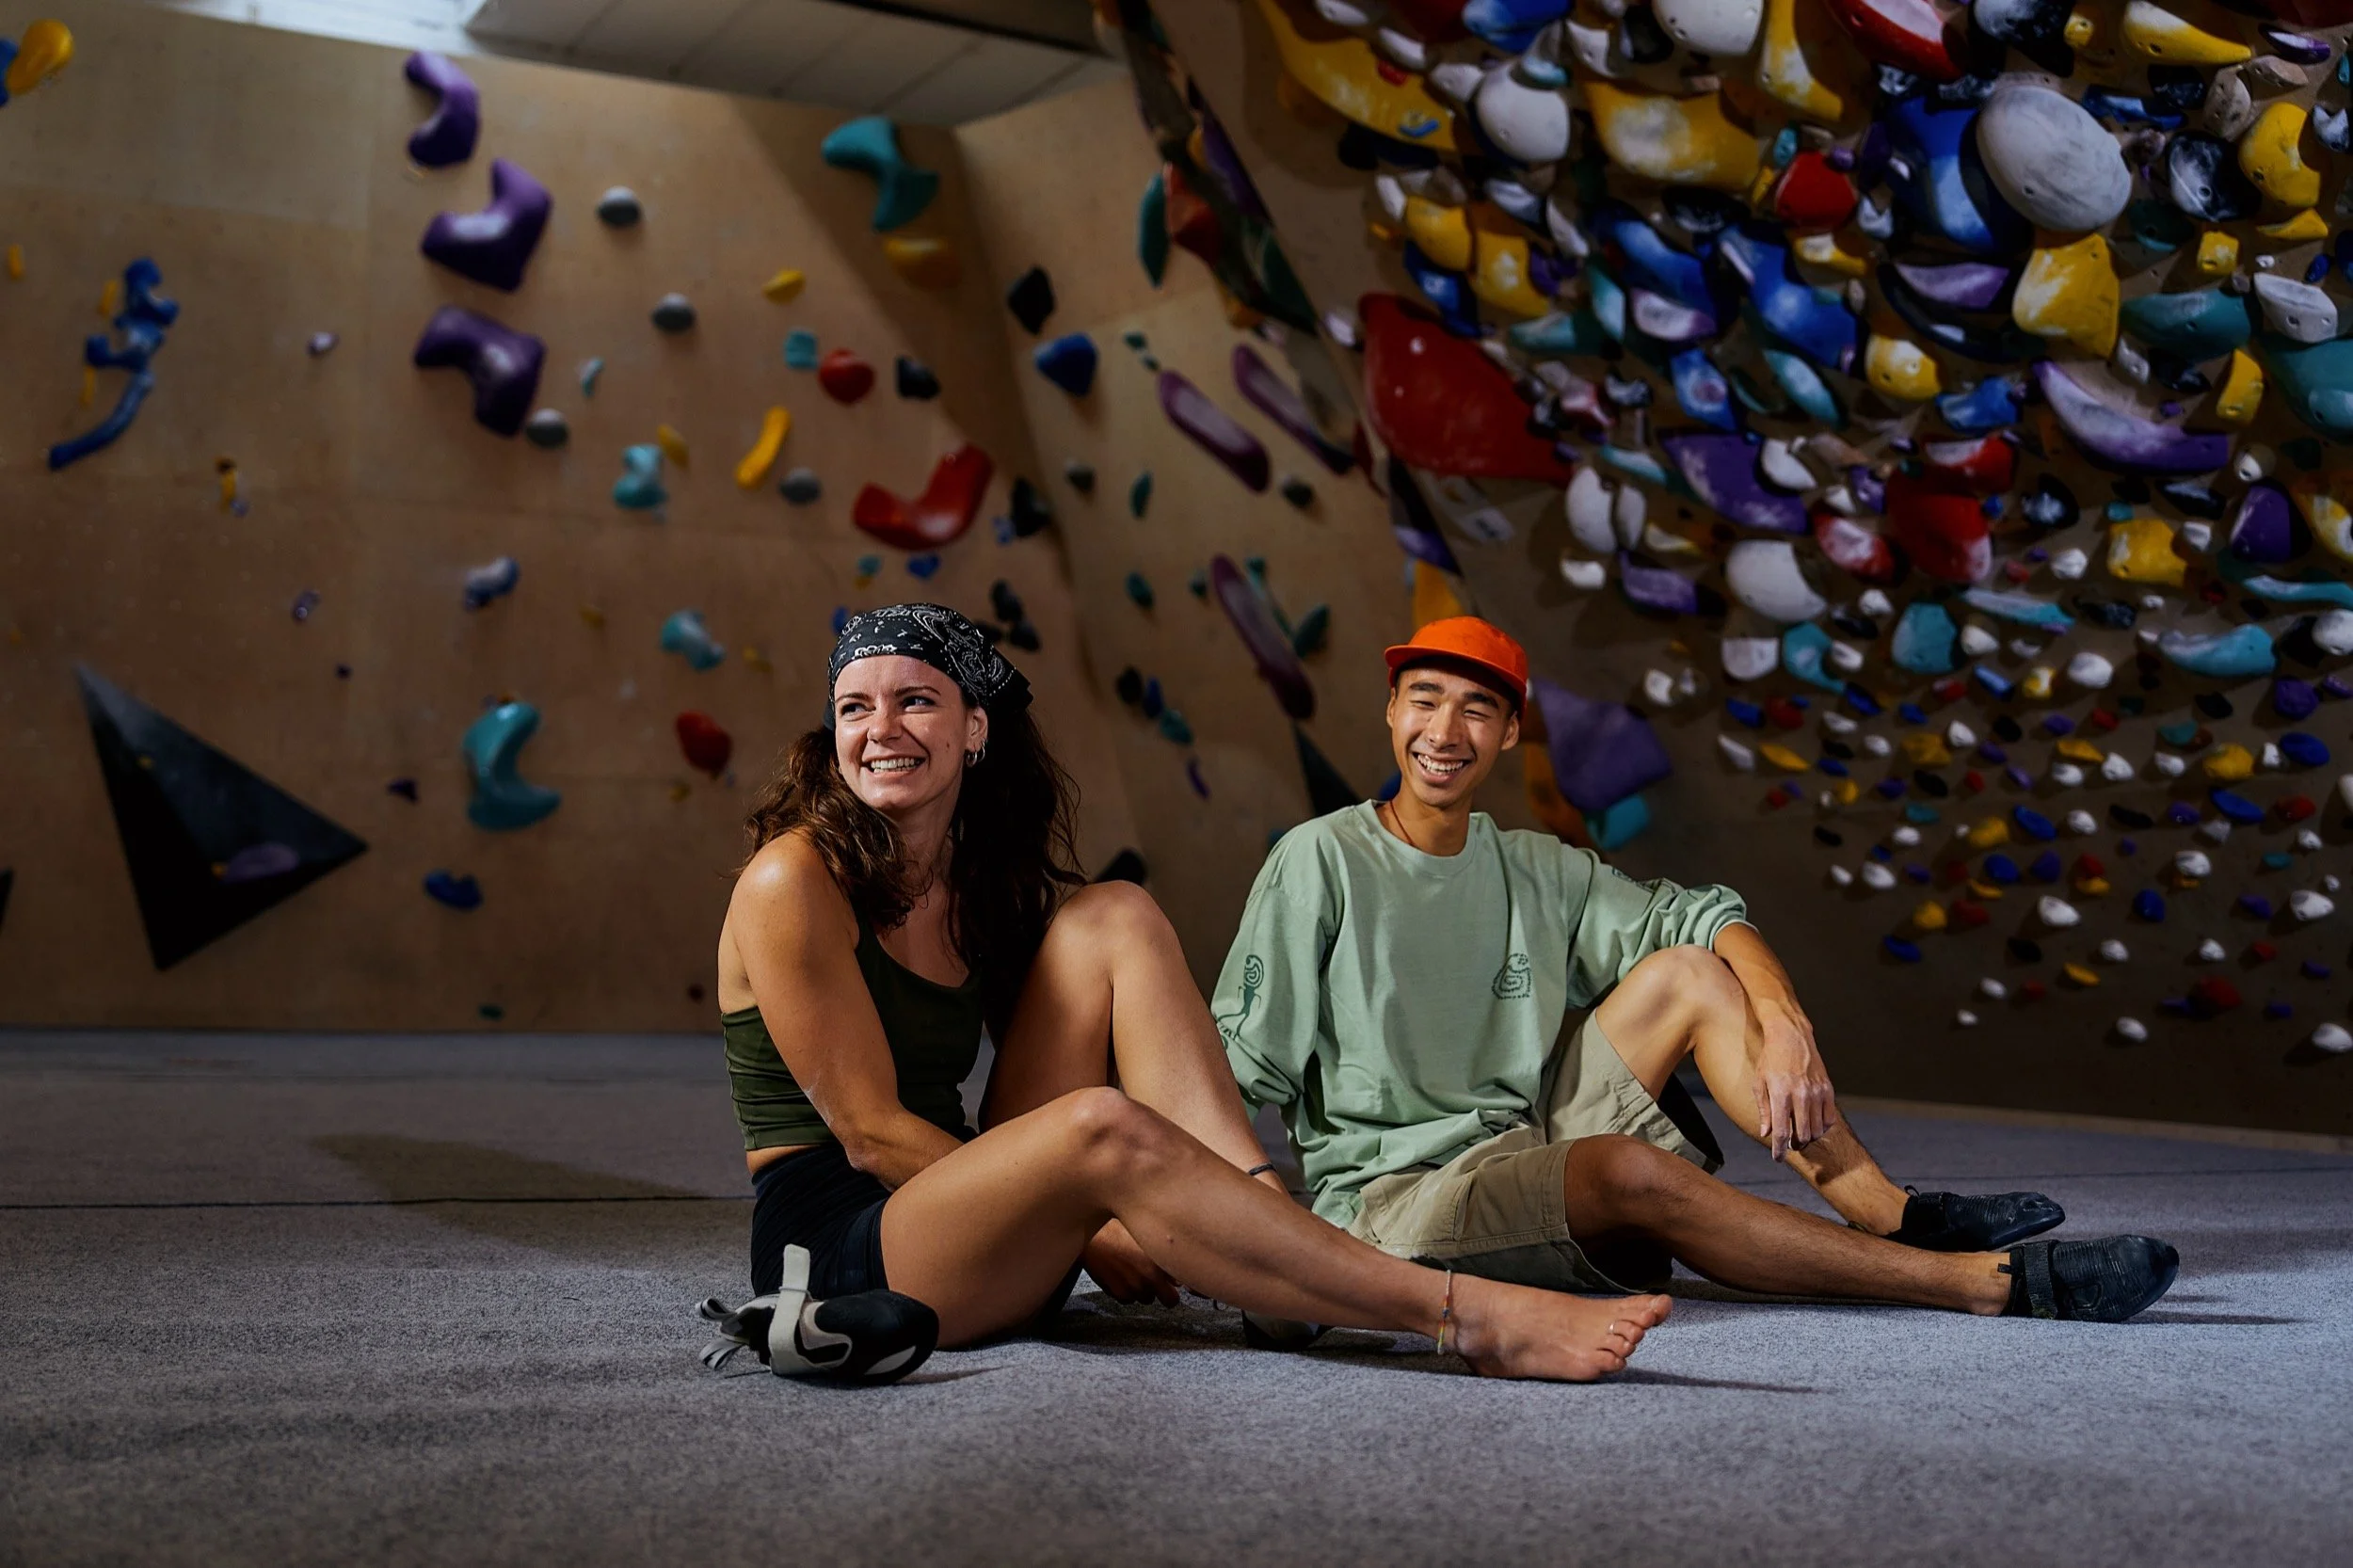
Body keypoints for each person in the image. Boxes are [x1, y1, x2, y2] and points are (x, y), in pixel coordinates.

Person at [705, 602, 1673, 1384]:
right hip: (846, 1251)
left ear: (972, 728)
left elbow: (1049, 1060)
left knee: (1113, 915)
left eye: (914, 702)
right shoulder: (793, 879)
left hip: (973, 1218)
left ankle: (1273, 1253)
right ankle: (1460, 1312)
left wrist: (1080, 1209)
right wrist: (1094, 1227)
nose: (879, 730)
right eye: (853, 708)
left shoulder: (973, 879)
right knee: (1099, 1127)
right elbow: (870, 1133)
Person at [1214, 616, 2181, 1327]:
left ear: (1509, 734)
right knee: (1634, 1174)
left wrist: (1784, 1016)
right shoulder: (1321, 858)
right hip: (1399, 1193)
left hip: (1521, 1133)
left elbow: (1708, 917)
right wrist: (1213, 1227)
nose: (1444, 729)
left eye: (1477, 708)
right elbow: (1235, 1066)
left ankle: (1888, 1213)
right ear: (1389, 713)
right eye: (1423, 699)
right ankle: (1981, 1283)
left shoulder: (1531, 864)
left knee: (1691, 970)